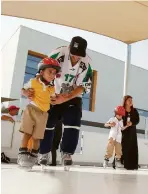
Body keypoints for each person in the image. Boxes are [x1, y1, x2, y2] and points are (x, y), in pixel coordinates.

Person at [39, 36, 93, 169]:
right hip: (53, 92)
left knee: (73, 122)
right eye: (74, 55)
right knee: (48, 123)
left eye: (79, 56)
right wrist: (46, 94)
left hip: (72, 95)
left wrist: (66, 97)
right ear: (69, 48)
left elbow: (85, 85)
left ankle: (67, 152)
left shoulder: (86, 62)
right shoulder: (58, 53)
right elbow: (42, 72)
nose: (76, 58)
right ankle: (44, 152)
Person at [18, 58, 60, 169]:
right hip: (31, 109)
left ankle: (32, 158)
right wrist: (26, 92)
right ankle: (22, 156)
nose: (52, 75)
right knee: (27, 133)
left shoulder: (52, 88)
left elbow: (53, 98)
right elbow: (22, 89)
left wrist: (55, 98)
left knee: (37, 137)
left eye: (54, 73)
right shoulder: (33, 81)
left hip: (43, 114)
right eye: (50, 72)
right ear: (41, 72)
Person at [121, 95, 140, 170]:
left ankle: (133, 165)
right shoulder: (121, 110)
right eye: (129, 100)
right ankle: (123, 163)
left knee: (133, 147)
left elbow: (137, 120)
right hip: (124, 132)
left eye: (131, 100)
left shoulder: (134, 111)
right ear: (125, 101)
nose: (131, 101)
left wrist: (132, 123)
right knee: (124, 147)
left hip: (132, 132)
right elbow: (118, 118)